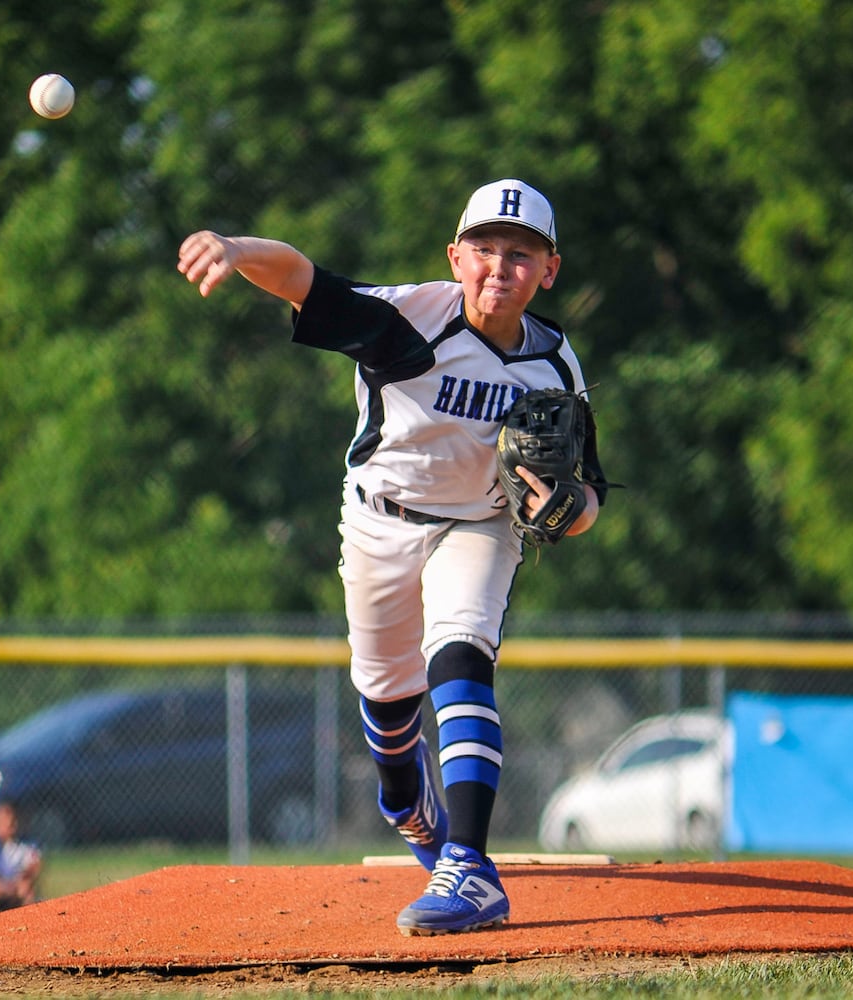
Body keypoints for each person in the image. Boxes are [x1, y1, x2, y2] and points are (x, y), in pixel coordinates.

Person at [177, 178, 609, 936]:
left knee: (460, 653)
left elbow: (587, 492)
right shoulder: (409, 320)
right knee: (385, 703)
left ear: (549, 271)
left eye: (520, 254)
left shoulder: (555, 363)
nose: (498, 267)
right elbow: (302, 279)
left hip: (478, 524)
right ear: (454, 256)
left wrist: (569, 513)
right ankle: (406, 804)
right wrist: (237, 248)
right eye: (482, 249)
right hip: (377, 523)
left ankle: (470, 868)